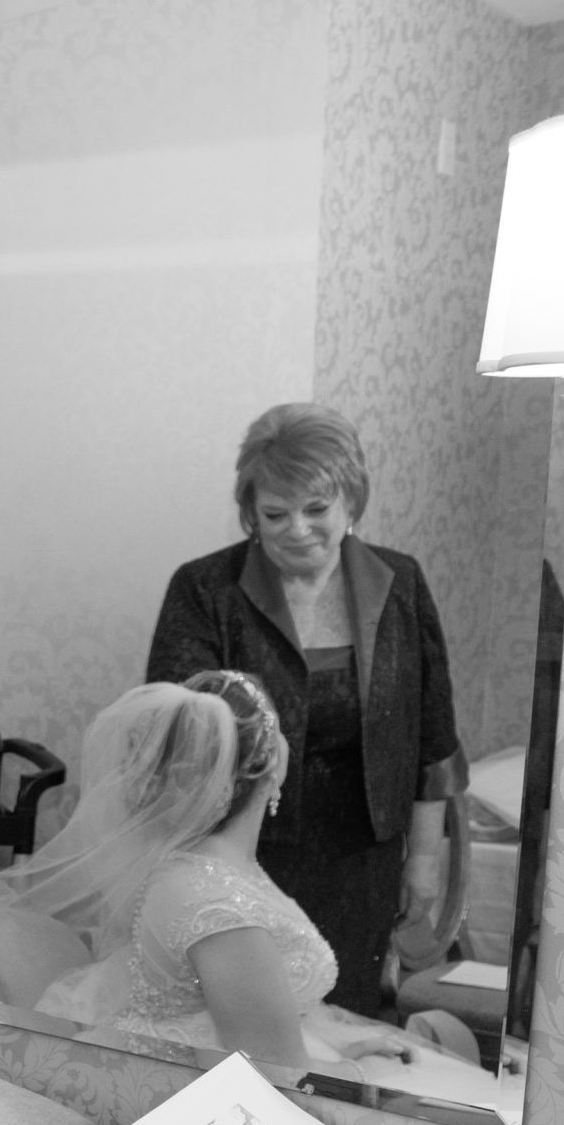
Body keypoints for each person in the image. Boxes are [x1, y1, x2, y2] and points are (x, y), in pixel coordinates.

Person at [147, 403, 465, 1016]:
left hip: (362, 861)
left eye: (316, 509)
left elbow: (434, 741)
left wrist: (423, 861)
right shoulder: (204, 590)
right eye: (275, 513)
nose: (296, 528)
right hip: (237, 856)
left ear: (351, 501)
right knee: (254, 1029)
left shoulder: (400, 583)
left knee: (347, 1025)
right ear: (250, 512)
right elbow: (175, 740)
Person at [0, 673, 415, 1070]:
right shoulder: (218, 908)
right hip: (206, 1098)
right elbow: (275, 1076)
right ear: (270, 764)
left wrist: (346, 1052)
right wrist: (358, 1077)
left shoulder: (208, 867)